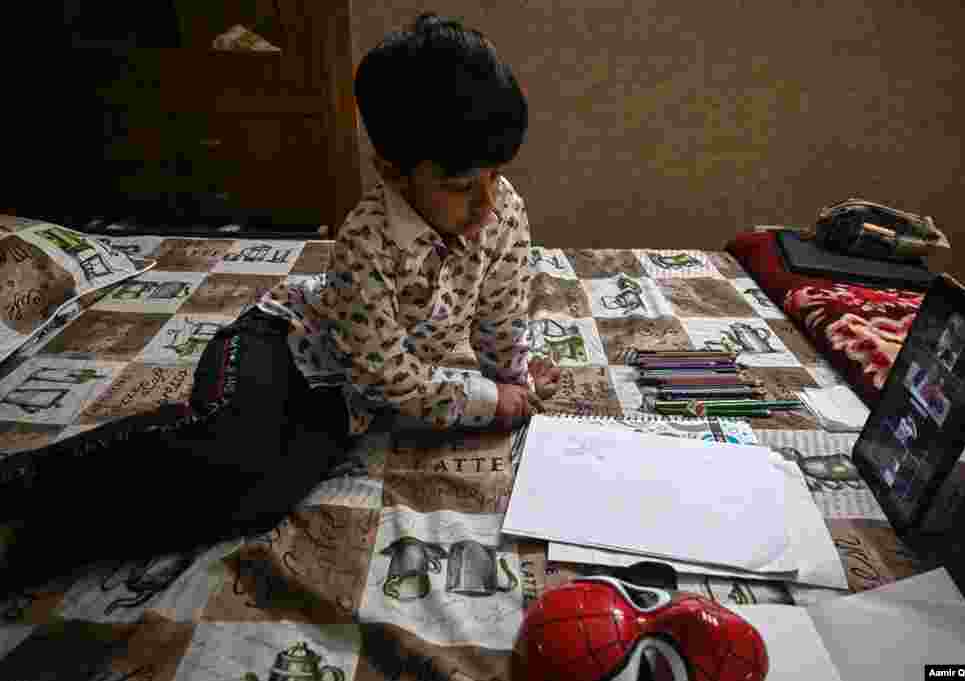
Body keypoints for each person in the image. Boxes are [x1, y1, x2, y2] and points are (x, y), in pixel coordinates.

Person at [0, 12, 560, 598]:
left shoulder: (504, 216)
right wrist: (486, 398)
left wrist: (513, 380)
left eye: (497, 176)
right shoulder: (367, 238)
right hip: (280, 343)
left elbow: (502, 310)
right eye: (462, 186)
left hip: (345, 401)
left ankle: (51, 539)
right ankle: (30, 483)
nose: (487, 205)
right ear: (392, 170)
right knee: (227, 439)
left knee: (262, 496)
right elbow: (384, 371)